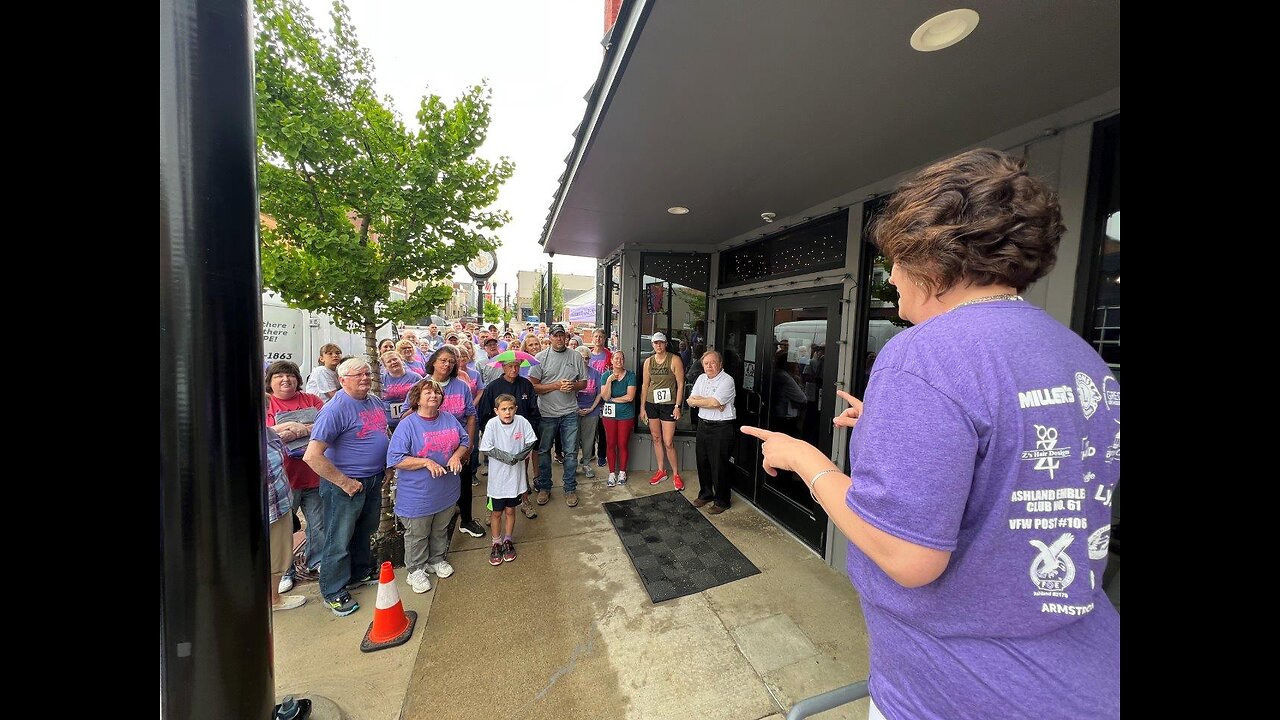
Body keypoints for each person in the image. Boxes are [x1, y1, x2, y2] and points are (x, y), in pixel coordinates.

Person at [741, 148, 1119, 720]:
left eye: (895, 259)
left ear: (933, 261)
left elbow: (907, 556)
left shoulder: (922, 357)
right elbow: (1024, 453)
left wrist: (807, 462)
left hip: (959, 688)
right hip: (1081, 670)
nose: (890, 275)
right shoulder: (1079, 356)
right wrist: (893, 427)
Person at [304, 357, 389, 617]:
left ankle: (359, 573)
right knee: (338, 538)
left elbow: (382, 434)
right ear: (342, 381)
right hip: (346, 485)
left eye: (366, 373)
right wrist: (344, 482)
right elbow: (312, 456)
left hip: (373, 479)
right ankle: (333, 590)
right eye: (357, 375)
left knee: (364, 530)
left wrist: (385, 467)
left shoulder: (374, 401)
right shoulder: (334, 409)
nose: (365, 378)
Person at [387, 379, 469, 593]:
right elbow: (396, 458)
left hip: (446, 490)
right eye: (428, 393)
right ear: (417, 398)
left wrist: (457, 456)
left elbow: (465, 440)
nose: (434, 396)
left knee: (440, 528)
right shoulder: (408, 424)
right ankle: (415, 570)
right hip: (418, 494)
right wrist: (425, 461)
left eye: (437, 392)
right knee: (418, 534)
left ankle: (436, 559)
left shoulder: (449, 418)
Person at [264, 361, 326, 591]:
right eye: (279, 376)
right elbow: (265, 431)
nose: (285, 380)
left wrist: (303, 429)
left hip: (314, 474)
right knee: (283, 530)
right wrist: (290, 426)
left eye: (290, 375)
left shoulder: (311, 400)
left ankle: (317, 560)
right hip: (281, 482)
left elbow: (326, 422)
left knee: (317, 523)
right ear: (270, 381)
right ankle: (284, 573)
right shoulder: (267, 404)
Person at [424, 346, 482, 539]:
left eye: (451, 361)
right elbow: (408, 414)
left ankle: (466, 520)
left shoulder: (461, 386)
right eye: (443, 360)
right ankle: (435, 525)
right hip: (432, 448)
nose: (448, 364)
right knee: (437, 485)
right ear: (433, 362)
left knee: (464, 483)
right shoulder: (422, 386)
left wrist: (470, 445)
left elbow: (471, 417)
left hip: (460, 446)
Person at [528, 324, 588, 507]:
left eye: (562, 335)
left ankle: (570, 488)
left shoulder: (576, 355)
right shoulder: (540, 358)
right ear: (550, 337)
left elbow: (584, 383)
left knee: (570, 453)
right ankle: (545, 487)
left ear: (566, 337)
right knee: (545, 451)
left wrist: (573, 386)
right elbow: (533, 386)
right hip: (546, 413)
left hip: (570, 411)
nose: (559, 339)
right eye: (556, 335)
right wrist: (554, 385)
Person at [480, 395, 538, 566]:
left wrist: (519, 456)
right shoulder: (492, 424)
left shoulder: (521, 421)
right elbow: (486, 447)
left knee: (511, 511)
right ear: (496, 411)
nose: (508, 412)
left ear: (516, 409)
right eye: (504, 409)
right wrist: (507, 458)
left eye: (511, 408)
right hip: (497, 481)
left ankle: (507, 539)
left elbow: (531, 441)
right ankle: (496, 542)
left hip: (515, 479)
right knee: (496, 513)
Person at [686, 351, 736, 514]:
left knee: (719, 464)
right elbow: (690, 400)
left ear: (720, 364)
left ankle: (722, 501)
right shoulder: (701, 378)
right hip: (703, 424)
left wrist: (707, 402)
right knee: (703, 461)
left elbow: (715, 401)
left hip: (721, 427)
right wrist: (710, 402)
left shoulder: (727, 380)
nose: (709, 366)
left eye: (713, 363)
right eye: (706, 363)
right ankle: (706, 494)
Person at [265, 428, 306, 611]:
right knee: (273, 555)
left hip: (279, 504)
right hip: (267, 508)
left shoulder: (268, 433)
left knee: (279, 552)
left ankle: (273, 598)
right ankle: (272, 599)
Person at [639, 332, 686, 490]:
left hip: (669, 405)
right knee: (656, 438)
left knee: (668, 441)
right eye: (655, 343)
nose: (658, 345)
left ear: (666, 344)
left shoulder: (674, 359)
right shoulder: (648, 362)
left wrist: (678, 406)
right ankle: (661, 470)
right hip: (652, 403)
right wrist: (642, 407)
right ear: (652, 345)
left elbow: (681, 384)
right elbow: (645, 385)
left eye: (661, 343)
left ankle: (676, 474)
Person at [598, 350, 637, 486]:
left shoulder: (631, 375)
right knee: (611, 443)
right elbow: (605, 397)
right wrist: (609, 381)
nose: (619, 361)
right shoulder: (605, 376)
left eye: (621, 358)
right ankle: (611, 473)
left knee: (622, 444)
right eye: (616, 358)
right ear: (612, 361)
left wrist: (613, 399)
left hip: (625, 415)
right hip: (609, 416)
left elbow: (630, 397)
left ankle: (622, 472)